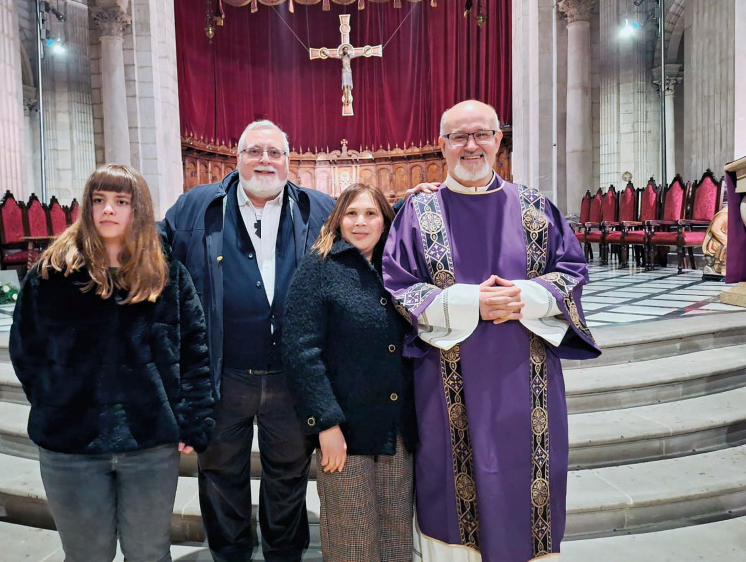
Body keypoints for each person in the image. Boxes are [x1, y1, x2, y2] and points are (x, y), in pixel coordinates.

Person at [382, 100, 601, 562]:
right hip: (444, 383)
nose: (471, 145)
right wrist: (471, 303)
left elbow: (572, 270)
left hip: (526, 377)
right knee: (449, 483)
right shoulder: (419, 212)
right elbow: (398, 284)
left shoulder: (536, 209)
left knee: (526, 476)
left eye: (481, 134)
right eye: (459, 136)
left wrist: (525, 296)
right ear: (442, 145)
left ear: (499, 139)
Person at [9, 164, 213, 562]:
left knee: (149, 553)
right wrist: (58, 402)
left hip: (149, 440)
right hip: (72, 443)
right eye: (99, 200)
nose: (108, 210)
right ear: (87, 206)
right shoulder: (52, 274)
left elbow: (194, 351)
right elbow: (25, 348)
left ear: (138, 210)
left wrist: (193, 419)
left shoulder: (166, 275)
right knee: (86, 555)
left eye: (121, 201)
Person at [163, 120, 335, 562]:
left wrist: (413, 204)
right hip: (224, 375)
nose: (264, 161)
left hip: (292, 377)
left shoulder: (318, 209)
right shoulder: (196, 207)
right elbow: (153, 256)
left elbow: (370, 232)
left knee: (289, 477)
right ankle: (230, 554)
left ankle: (284, 555)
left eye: (274, 153)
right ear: (236, 158)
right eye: (254, 151)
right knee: (220, 476)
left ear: (288, 161)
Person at [282, 183, 417, 562]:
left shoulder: (397, 267)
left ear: (384, 221)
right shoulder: (319, 266)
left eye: (371, 214)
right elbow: (300, 351)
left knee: (395, 541)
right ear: (338, 219)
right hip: (345, 434)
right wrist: (326, 425)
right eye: (352, 213)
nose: (360, 222)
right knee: (352, 545)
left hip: (395, 433)